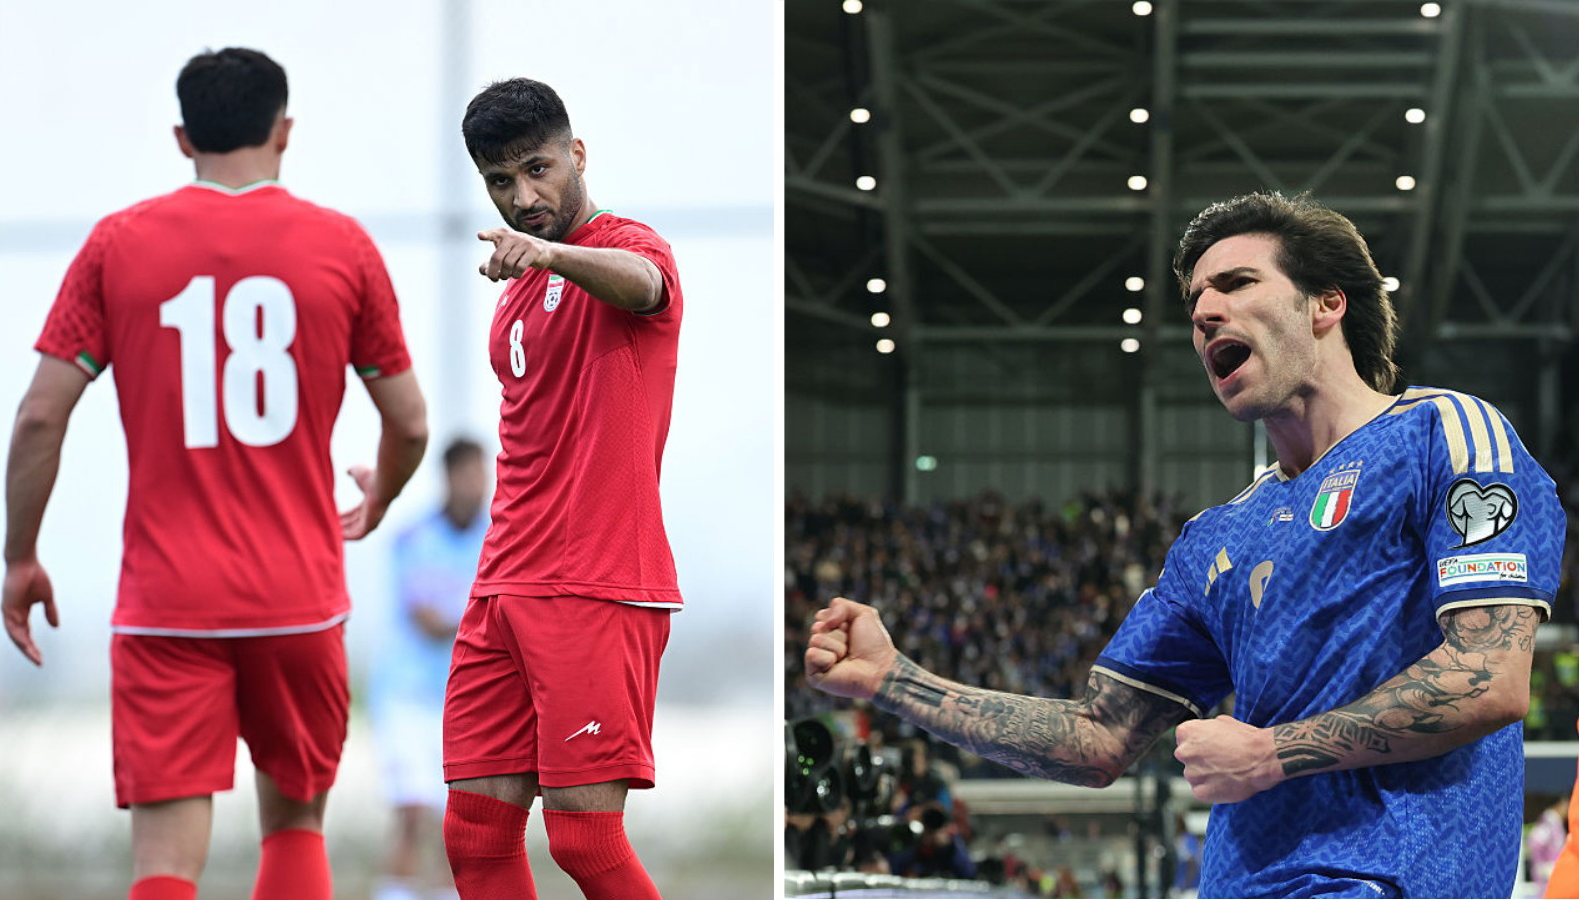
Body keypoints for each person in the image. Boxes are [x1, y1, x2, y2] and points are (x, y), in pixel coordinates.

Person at [805, 191, 1562, 897]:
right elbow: (1098, 738)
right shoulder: (1216, 540)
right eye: (1195, 302)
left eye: (1235, 284)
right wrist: (891, 679)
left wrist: (1270, 755)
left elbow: (1490, 676)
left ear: (1327, 303)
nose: (1204, 313)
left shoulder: (1445, 436)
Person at [0, 48, 428, 900]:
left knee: (163, 864)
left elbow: (42, 414)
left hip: (167, 603)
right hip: (299, 596)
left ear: (181, 137)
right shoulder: (341, 246)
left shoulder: (118, 245)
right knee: (297, 827)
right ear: (286, 132)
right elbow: (409, 422)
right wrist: (380, 490)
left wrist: (20, 554)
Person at [440, 77, 684, 900]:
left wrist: (554, 255)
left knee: (583, 840)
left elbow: (643, 285)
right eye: (501, 183)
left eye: (538, 170)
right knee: (474, 837)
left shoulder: (626, 249)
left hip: (594, 582)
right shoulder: (509, 298)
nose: (524, 196)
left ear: (577, 155)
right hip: (503, 583)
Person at [370, 438, 490, 900]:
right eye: (469, 475)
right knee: (412, 810)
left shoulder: (496, 538)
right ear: (450, 477)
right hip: (407, 697)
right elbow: (426, 620)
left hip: (461, 701)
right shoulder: (413, 537)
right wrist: (482, 619)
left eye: (483, 475)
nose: (478, 485)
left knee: (455, 821)